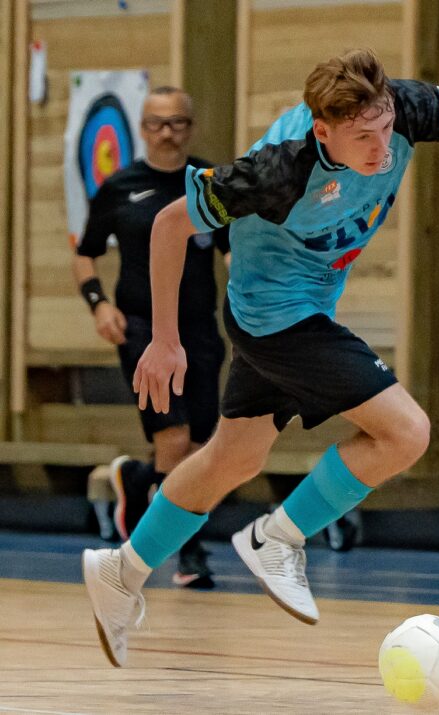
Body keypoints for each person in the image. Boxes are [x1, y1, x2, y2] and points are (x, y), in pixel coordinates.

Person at [82, 48, 439, 668]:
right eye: (363, 138)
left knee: (232, 457)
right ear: (323, 130)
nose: (382, 149)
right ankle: (277, 538)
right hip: (276, 317)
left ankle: (121, 570)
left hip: (302, 310)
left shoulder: (406, 105)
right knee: (407, 433)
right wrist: (164, 340)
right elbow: (170, 225)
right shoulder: (276, 170)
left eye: (385, 129)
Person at [72, 86, 227, 589]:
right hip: (142, 328)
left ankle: (138, 482)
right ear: (141, 129)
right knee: (174, 437)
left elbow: (231, 251)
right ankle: (185, 550)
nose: (167, 132)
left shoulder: (208, 183)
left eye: (177, 123)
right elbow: (85, 252)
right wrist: (99, 305)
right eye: (157, 123)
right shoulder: (120, 186)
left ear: (191, 126)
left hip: (200, 329)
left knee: (201, 446)